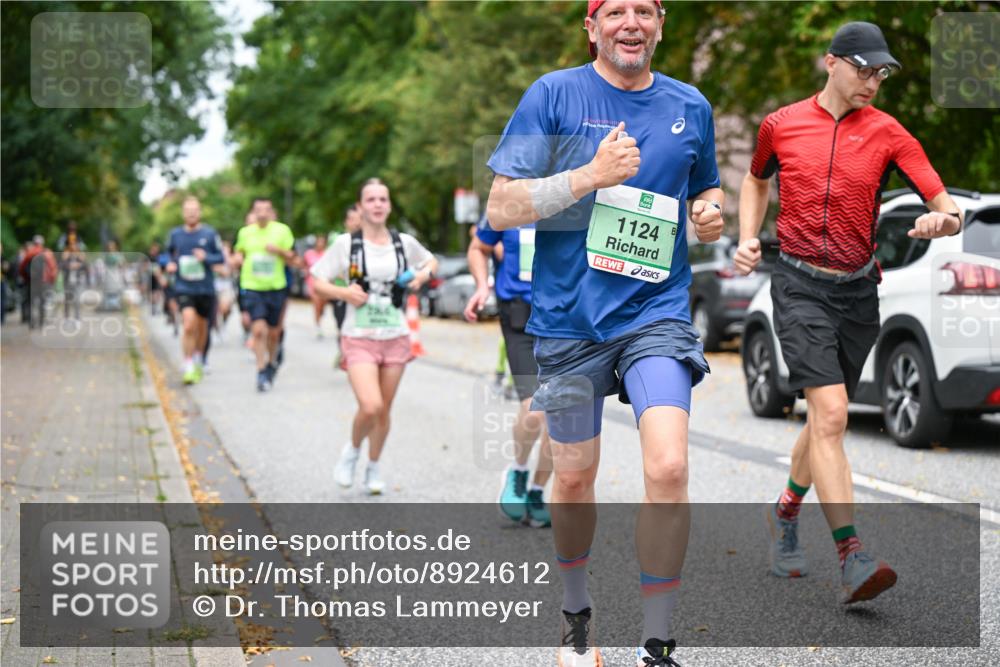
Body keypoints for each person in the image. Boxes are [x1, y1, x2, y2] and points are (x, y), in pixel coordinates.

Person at [485, 2, 725, 664]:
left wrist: (709, 213)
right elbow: (501, 208)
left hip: (657, 314)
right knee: (572, 477)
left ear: (660, 23)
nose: (630, 21)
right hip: (568, 323)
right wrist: (590, 174)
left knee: (670, 466)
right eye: (614, 9)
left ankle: (657, 640)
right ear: (592, 27)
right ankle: (575, 616)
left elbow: (706, 189)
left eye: (643, 9)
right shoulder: (554, 95)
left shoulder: (690, 105)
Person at [734, 21, 963, 605]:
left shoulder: (889, 133)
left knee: (822, 420)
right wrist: (748, 236)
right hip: (799, 284)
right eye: (863, 69)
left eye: (881, 73)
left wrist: (945, 220)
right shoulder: (780, 126)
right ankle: (852, 557)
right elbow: (755, 182)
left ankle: (784, 512)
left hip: (858, 293)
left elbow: (946, 204)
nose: (873, 81)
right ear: (831, 63)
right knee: (832, 413)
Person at [310, 178, 437, 495]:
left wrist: (422, 275)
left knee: (384, 411)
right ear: (361, 206)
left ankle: (374, 465)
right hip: (359, 336)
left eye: (383, 199)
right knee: (370, 405)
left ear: (389, 206)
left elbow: (430, 261)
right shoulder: (346, 245)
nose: (378, 204)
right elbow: (317, 282)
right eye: (371, 200)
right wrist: (344, 292)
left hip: (395, 336)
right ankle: (352, 451)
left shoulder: (403, 242)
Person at [464, 215, 553, 528]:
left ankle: (538, 491)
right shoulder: (508, 199)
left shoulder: (577, 194)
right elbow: (478, 247)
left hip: (565, 317)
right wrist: (480, 285)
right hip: (519, 314)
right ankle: (517, 470)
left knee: (563, 415)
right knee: (535, 408)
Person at [232, 197, 295, 392]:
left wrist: (279, 251)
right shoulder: (245, 232)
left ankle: (271, 362)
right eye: (258, 209)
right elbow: (238, 253)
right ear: (253, 211)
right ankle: (260, 371)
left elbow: (292, 257)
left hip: (276, 287)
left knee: (274, 334)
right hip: (252, 286)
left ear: (271, 211)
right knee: (258, 330)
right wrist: (236, 259)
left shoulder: (282, 230)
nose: (262, 213)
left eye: (266, 209)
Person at [165, 196, 224, 385]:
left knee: (202, 327)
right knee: (188, 324)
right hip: (184, 287)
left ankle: (199, 355)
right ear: (183, 213)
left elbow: (220, 258)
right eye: (188, 210)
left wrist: (206, 257)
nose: (191, 213)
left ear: (200, 212)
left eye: (195, 210)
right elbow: (166, 255)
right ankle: (188, 363)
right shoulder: (175, 235)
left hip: (205, 288)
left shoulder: (209, 233)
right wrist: (170, 264)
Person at [331, 204, 363, 367]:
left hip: (361, 295)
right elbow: (328, 272)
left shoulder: (371, 243)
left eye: (360, 219)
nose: (356, 223)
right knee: (343, 326)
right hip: (342, 293)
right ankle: (345, 351)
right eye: (352, 219)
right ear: (346, 222)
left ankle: (355, 358)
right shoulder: (340, 243)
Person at [304, 234, 332, 338]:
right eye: (318, 241)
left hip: (325, 283)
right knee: (316, 305)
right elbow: (305, 265)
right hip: (313, 283)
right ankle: (318, 325)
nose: (320, 244)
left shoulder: (327, 254)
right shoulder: (309, 254)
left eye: (322, 242)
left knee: (322, 306)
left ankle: (320, 317)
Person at [60, 236, 88, 320]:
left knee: (77, 300)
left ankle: (77, 318)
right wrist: (68, 266)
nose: (73, 246)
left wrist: (79, 264)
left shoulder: (81, 255)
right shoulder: (66, 255)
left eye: (74, 244)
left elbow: (86, 267)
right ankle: (66, 317)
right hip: (67, 280)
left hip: (78, 281)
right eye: (71, 244)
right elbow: (61, 266)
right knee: (67, 300)